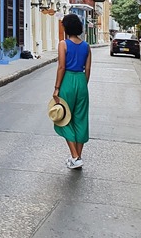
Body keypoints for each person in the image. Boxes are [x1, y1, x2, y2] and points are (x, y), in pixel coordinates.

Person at [53, 13, 92, 169]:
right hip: (82, 81)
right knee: (80, 119)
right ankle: (78, 158)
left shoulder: (64, 44)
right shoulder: (87, 46)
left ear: (66, 27)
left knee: (63, 118)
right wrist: (83, 84)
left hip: (67, 81)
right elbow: (88, 68)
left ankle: (75, 156)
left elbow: (61, 67)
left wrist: (57, 88)